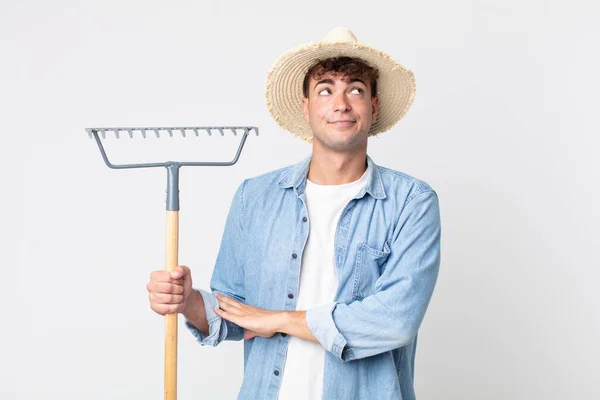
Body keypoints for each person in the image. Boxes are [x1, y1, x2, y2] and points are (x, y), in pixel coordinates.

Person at [147, 27, 441, 400]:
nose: (341, 103)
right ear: (306, 107)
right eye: (325, 90)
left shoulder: (411, 202)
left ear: (374, 106)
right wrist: (187, 301)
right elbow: (235, 315)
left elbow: (395, 320)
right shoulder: (254, 197)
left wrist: (279, 320)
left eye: (355, 89)